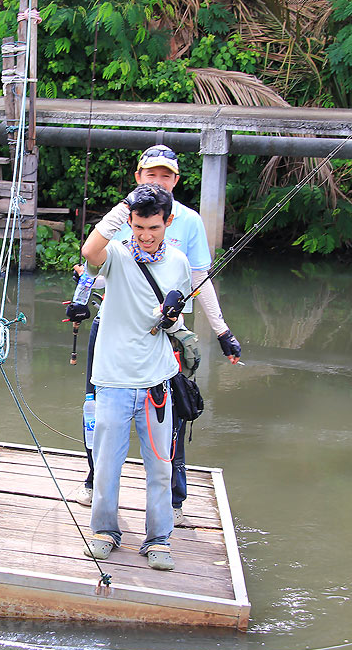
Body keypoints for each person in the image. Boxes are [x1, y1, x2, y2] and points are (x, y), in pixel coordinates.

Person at [65, 145, 242, 526]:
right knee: (97, 412)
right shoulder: (121, 224)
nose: (157, 180)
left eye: (165, 175)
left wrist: (220, 330)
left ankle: (170, 507)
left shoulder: (189, 225)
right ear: (137, 178)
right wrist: (84, 295)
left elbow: (196, 280)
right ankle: (96, 483)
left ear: (176, 182)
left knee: (174, 418)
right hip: (114, 332)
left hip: (162, 338)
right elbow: (95, 263)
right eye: (151, 173)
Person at [79, 182, 191, 571]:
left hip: (157, 382)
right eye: (138, 226)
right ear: (130, 222)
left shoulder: (179, 262)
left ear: (168, 223)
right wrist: (125, 203)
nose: (145, 236)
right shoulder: (116, 256)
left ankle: (158, 538)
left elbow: (177, 321)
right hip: (111, 379)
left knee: (160, 466)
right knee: (107, 463)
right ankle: (104, 531)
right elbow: (89, 252)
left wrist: (173, 316)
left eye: (154, 228)